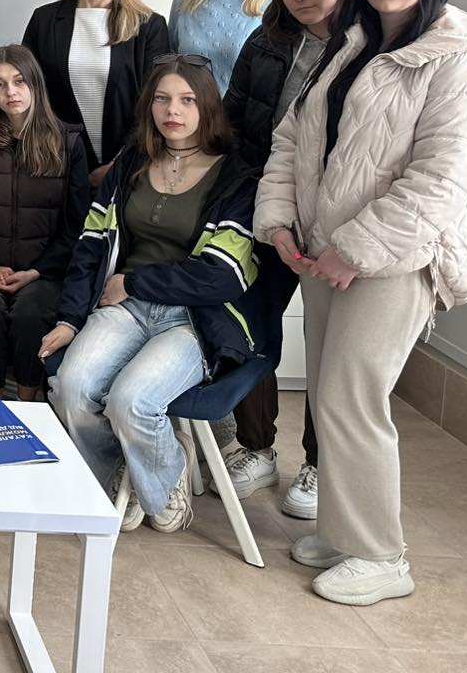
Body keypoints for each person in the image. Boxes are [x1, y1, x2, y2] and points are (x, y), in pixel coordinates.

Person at [256, 0, 467, 606]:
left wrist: (355, 249)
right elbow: (294, 137)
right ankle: (343, 530)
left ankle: (382, 556)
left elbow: (443, 178)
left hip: (399, 258)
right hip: (325, 250)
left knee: (350, 397)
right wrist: (280, 220)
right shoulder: (355, 44)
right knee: (329, 397)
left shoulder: (459, 60)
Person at [42, 56, 286, 534]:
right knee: (70, 388)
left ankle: (164, 477)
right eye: (162, 99)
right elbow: (91, 245)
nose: (173, 110)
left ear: (207, 106)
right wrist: (70, 318)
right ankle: (124, 472)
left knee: (131, 401)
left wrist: (136, 282)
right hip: (125, 307)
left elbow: (222, 277)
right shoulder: (131, 163)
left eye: (187, 100)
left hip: (196, 319)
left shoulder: (238, 177)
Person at [219, 0, 350, 516]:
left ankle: (320, 464)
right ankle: (257, 447)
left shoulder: (368, 48)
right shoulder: (267, 40)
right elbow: (232, 114)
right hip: (263, 204)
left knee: (327, 347)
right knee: (249, 324)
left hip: (333, 219)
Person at [0, 45, 89, 402]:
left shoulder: (68, 142)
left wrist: (35, 272)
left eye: (18, 81)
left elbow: (77, 226)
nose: (10, 92)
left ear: (34, 84)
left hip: (43, 270)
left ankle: (28, 404)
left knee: (32, 313)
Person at [22, 0, 168, 188]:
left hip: (128, 170)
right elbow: (28, 94)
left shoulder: (150, 26)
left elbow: (157, 103)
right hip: (57, 165)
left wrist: (120, 165)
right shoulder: (44, 21)